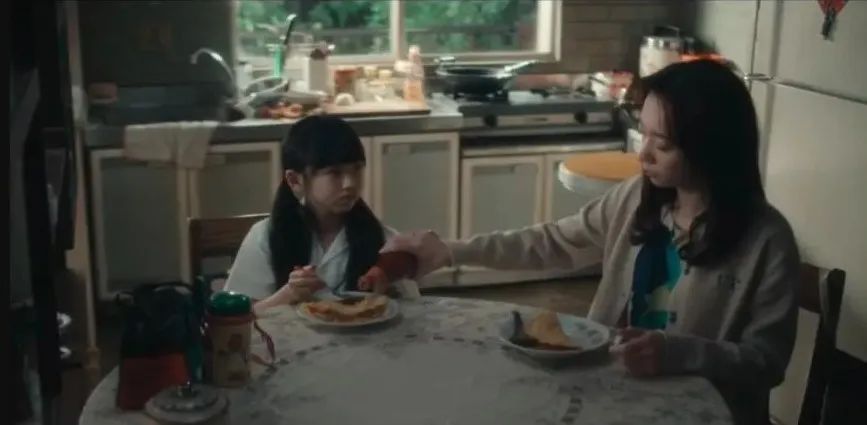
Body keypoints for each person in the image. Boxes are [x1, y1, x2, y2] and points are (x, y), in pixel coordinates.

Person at [383, 59, 799, 425]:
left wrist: (680, 353)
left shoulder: (767, 240)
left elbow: (767, 361)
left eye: (663, 144)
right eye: (643, 134)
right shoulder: (636, 199)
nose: (644, 155)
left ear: (711, 147)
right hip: (614, 398)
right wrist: (452, 250)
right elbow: (551, 241)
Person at [224, 115, 419, 309]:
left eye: (357, 169)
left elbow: (413, 310)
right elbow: (236, 317)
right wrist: (288, 294)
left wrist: (389, 293)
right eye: (334, 173)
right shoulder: (265, 237)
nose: (350, 183)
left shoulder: (384, 240)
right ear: (295, 180)